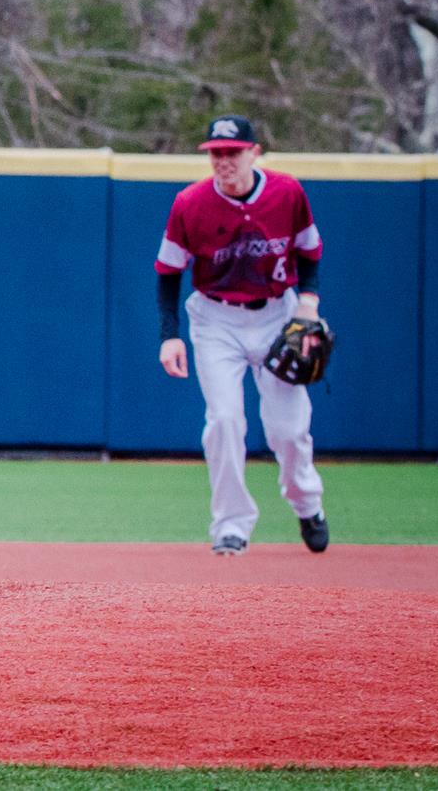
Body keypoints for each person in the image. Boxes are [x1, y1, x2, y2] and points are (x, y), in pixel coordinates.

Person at [155, 115, 330, 557]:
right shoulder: (189, 204)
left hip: (277, 315)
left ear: (255, 152)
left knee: (288, 430)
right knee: (225, 421)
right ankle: (231, 525)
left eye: (232, 152)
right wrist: (169, 335)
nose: (223, 161)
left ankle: (307, 503)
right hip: (216, 320)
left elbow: (309, 252)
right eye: (216, 153)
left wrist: (308, 302)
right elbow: (168, 272)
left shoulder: (287, 192)